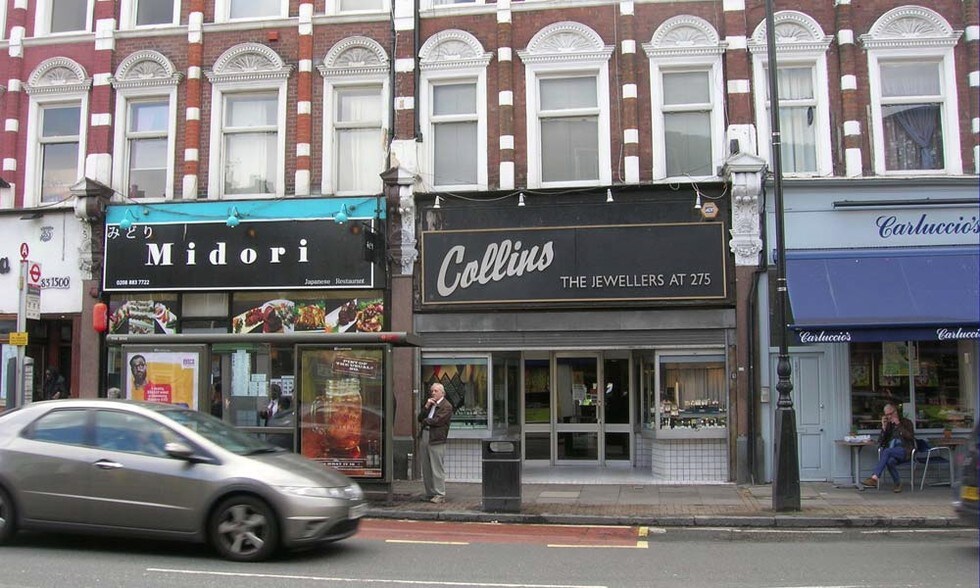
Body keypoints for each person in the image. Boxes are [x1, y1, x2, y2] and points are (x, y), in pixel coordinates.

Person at [862, 402, 916, 492]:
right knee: (890, 461)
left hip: (904, 450)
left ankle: (875, 477)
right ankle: (898, 483)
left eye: (890, 414)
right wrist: (884, 428)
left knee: (887, 451)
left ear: (895, 412)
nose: (889, 417)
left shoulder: (906, 422)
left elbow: (910, 437)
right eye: (886, 415)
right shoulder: (889, 425)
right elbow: (880, 442)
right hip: (892, 451)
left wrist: (898, 424)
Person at [417, 382, 454, 504]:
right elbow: (420, 418)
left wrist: (426, 421)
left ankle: (440, 494)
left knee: (437, 467)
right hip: (425, 435)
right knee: (426, 467)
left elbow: (438, 421)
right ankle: (430, 493)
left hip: (437, 438)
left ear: (442, 393)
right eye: (432, 391)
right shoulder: (431, 404)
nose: (433, 393)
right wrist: (426, 406)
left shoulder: (446, 406)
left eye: (436, 391)